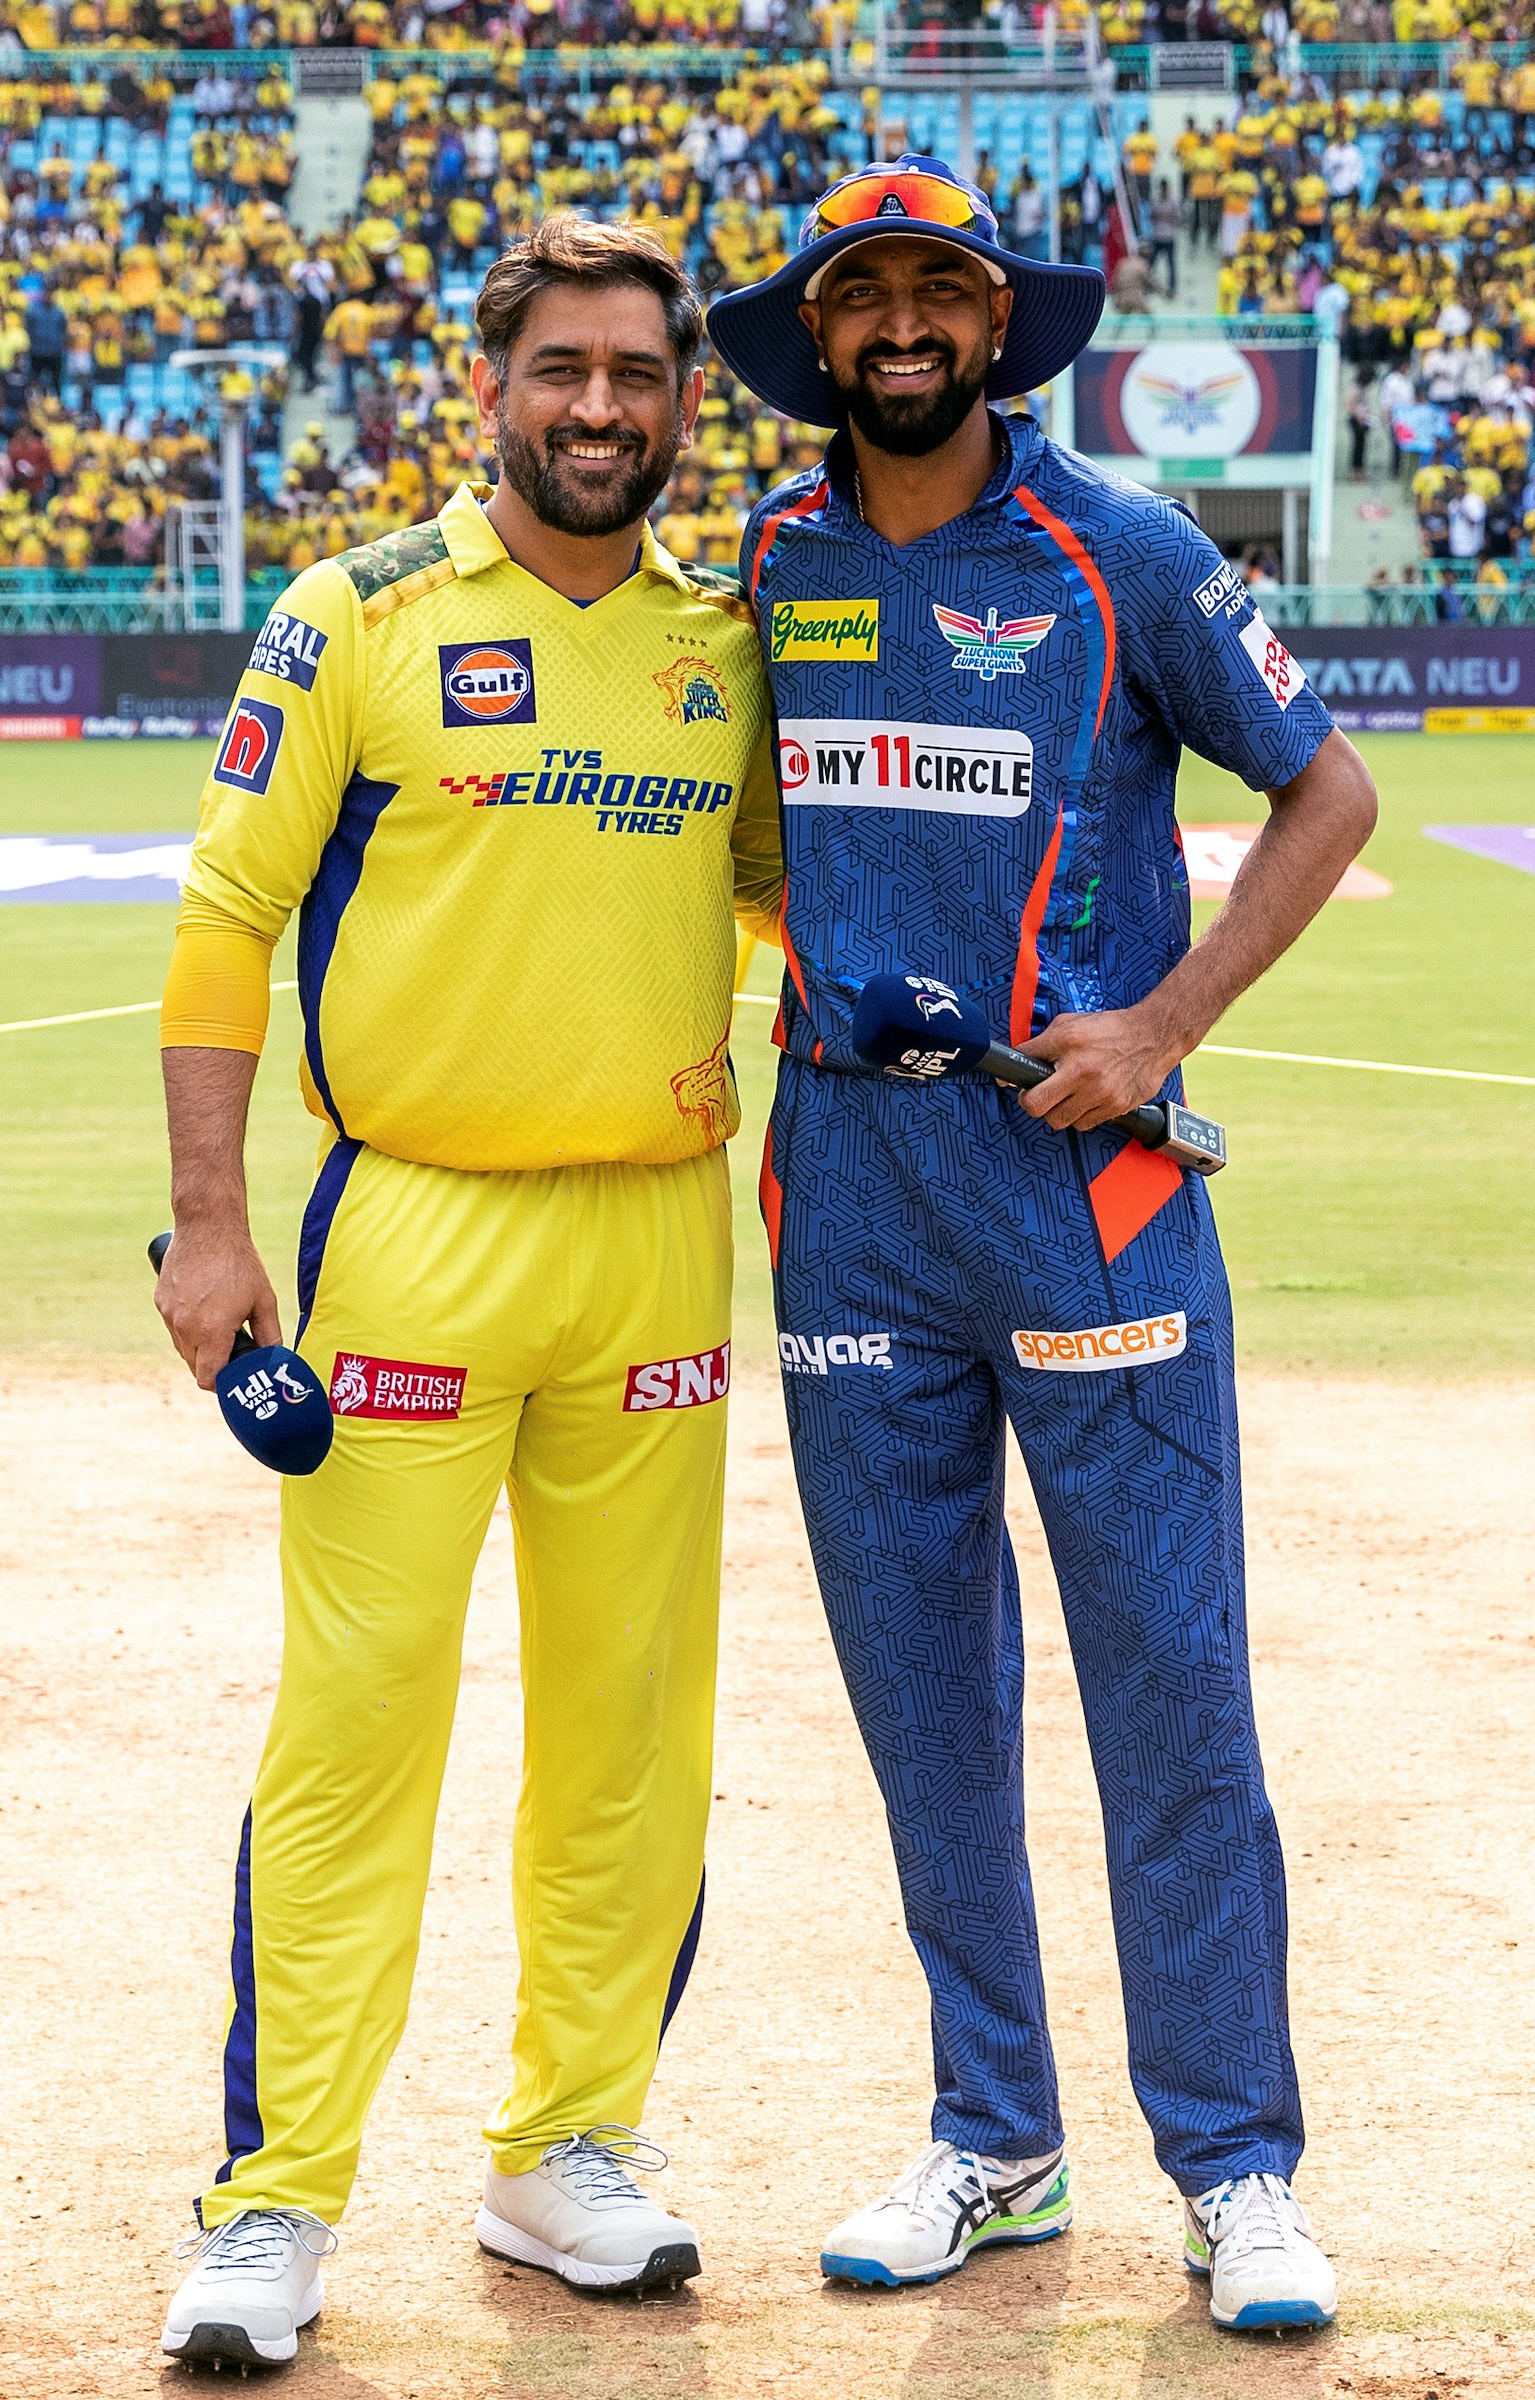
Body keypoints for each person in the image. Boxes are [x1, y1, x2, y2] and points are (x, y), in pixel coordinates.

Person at [708, 154, 1376, 2331]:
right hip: (850, 1204)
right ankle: (993, 2135)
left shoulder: (1126, 552)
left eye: (939, 289)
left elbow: (1329, 791)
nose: (900, 322)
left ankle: (1235, 2165)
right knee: (925, 1703)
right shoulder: (770, 557)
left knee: (1169, 1692)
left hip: (1086, 1202)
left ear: (996, 326)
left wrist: (1164, 1021)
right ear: (820, 334)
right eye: (862, 292)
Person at [155, 214, 784, 2372]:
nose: (600, 408)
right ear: (491, 388)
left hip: (656, 1241)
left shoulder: (722, 639)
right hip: (411, 1235)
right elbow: (226, 919)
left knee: (632, 1727)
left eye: (638, 375)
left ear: (682, 404)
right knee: (357, 1724)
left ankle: (565, 2148)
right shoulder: (356, 613)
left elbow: (787, 891)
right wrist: (212, 1225)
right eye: (564, 371)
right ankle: (274, 2199)